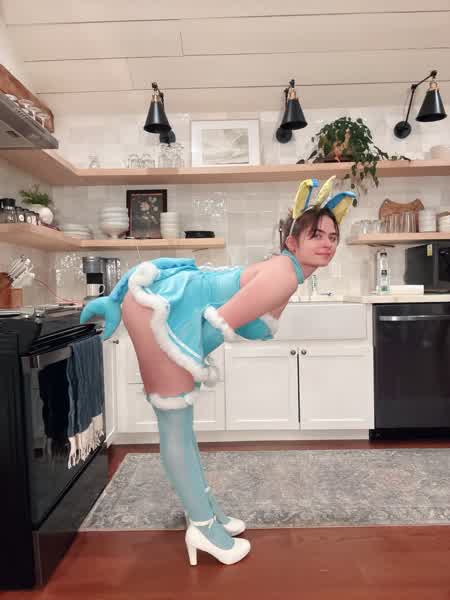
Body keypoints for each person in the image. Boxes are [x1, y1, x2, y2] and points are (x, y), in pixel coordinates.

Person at [80, 176, 356, 567]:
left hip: (164, 303)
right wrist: (182, 366)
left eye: (333, 236)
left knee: (180, 424)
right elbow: (215, 329)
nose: (327, 243)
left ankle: (207, 510)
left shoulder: (287, 272)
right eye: (316, 235)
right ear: (292, 242)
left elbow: (246, 324)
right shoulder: (284, 273)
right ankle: (203, 526)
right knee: (175, 422)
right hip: (160, 311)